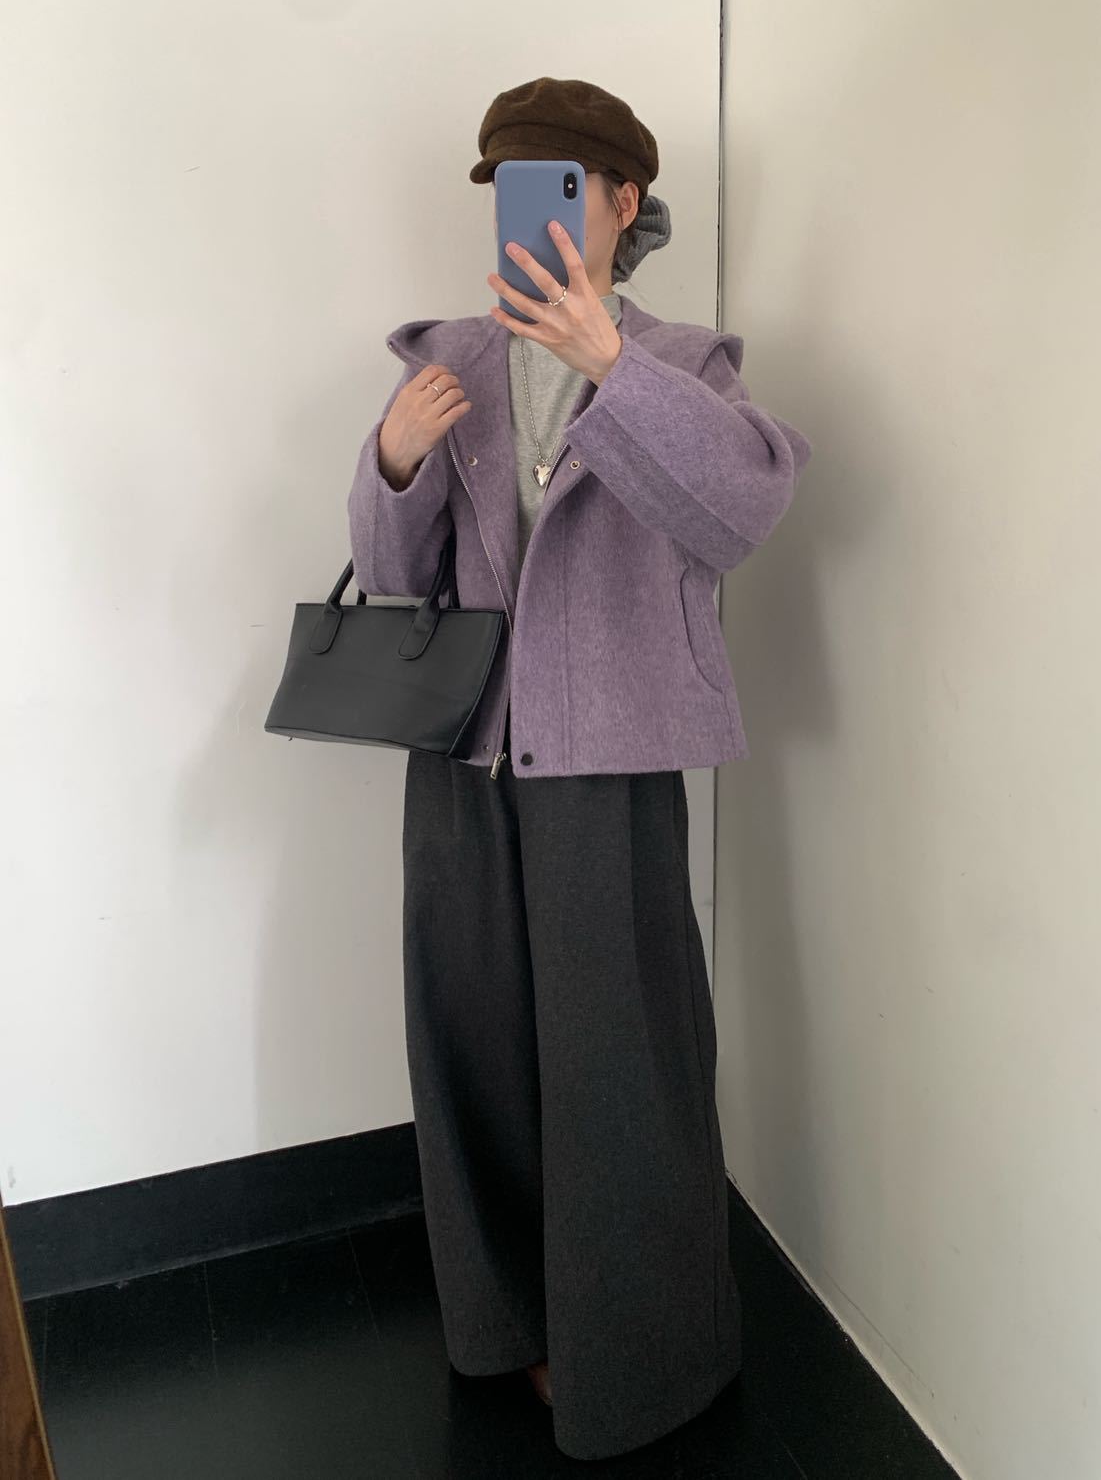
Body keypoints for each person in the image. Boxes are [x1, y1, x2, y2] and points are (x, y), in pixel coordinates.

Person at [346, 76, 812, 1462]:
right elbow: (393, 575)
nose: (528, 211)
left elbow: (744, 509)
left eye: (554, 184)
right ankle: (509, 1324)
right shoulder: (451, 360)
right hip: (465, 759)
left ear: (621, 201)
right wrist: (394, 458)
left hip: (609, 753)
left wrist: (617, 369)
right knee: (475, 1047)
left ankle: (646, 1356)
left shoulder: (683, 363)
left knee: (626, 1065)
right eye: (506, 188)